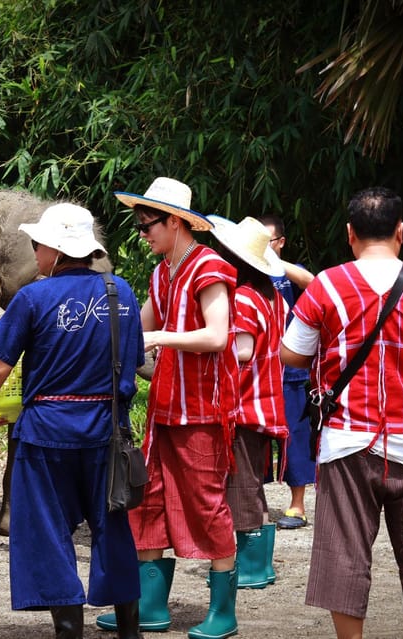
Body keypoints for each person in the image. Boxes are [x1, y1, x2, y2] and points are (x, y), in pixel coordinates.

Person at [281, 187, 403, 639]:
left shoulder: (327, 285)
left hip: (347, 440)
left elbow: (291, 354)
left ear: (349, 234)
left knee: (344, 554)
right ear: (401, 231)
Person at [0, 203, 145, 639]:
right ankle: (129, 632)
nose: (35, 252)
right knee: (112, 528)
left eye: (37, 244)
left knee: (47, 532)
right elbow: (134, 363)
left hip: (46, 434)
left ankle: (69, 631)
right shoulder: (121, 293)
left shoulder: (32, 297)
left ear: (55, 249)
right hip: (106, 432)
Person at [96, 177, 241, 639]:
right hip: (163, 412)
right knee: (149, 501)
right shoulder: (163, 273)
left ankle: (224, 611)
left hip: (201, 410)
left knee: (207, 504)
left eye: (147, 224)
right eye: (139, 225)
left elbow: (218, 336)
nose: (142, 233)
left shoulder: (208, 267)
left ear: (175, 222)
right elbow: (136, 337)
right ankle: (152, 606)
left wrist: (157, 340)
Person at [207, 214, 287, 589]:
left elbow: (242, 351)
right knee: (252, 482)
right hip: (268, 401)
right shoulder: (272, 297)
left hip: (244, 403)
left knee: (241, 486)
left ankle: (251, 565)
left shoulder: (242, 298)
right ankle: (260, 563)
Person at [258, 214, 315, 530]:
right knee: (253, 438)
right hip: (254, 370)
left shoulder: (289, 274)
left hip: (289, 370)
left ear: (280, 242)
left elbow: (314, 284)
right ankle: (256, 505)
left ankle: (297, 505)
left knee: (296, 435)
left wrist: (271, 259)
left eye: (267, 241)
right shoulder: (245, 274)